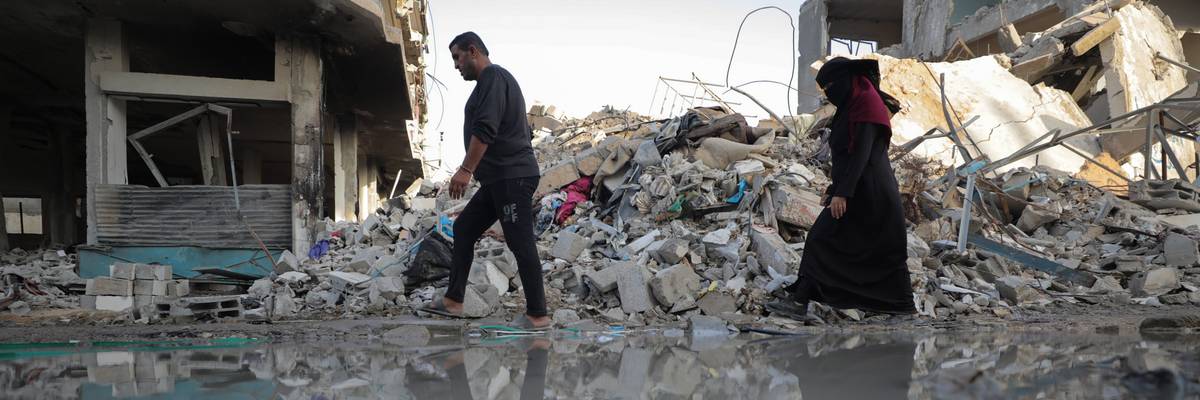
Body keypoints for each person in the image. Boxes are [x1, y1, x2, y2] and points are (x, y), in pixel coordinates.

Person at [420, 32, 550, 330]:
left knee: (520, 242)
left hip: (512, 176)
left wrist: (465, 170)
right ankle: (454, 301)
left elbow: (486, 128)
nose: (456, 66)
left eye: (457, 57)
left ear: (473, 51)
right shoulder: (491, 83)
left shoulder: (493, 77)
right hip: (498, 179)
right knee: (464, 228)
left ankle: (538, 315)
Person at [767, 57, 916, 318]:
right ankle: (804, 293)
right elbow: (847, 155)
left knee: (825, 239)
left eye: (830, 86)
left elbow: (861, 154)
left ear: (847, 80)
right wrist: (835, 186)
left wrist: (842, 193)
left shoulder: (867, 106)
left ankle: (801, 301)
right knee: (854, 246)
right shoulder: (853, 104)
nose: (829, 93)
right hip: (860, 188)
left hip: (870, 194)